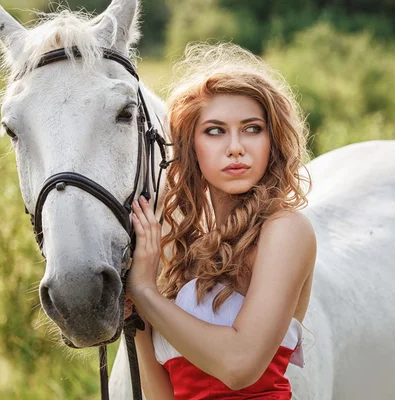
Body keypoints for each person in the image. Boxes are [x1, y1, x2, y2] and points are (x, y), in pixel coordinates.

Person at [126, 42, 317, 399]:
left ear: (272, 142)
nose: (235, 147)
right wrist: (137, 320)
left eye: (252, 129)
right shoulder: (185, 249)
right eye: (215, 131)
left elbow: (239, 365)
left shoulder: (286, 230)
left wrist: (146, 292)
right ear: (189, 146)